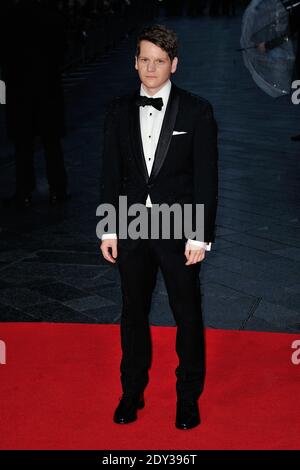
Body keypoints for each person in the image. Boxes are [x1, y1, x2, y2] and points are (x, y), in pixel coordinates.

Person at [100, 24, 218, 430]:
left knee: (187, 313)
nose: (151, 68)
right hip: (130, 223)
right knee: (132, 312)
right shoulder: (117, 110)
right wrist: (108, 229)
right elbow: (109, 174)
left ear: (174, 65)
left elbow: (206, 178)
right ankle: (131, 392)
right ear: (135, 63)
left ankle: (188, 397)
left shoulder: (197, 110)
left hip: (179, 224)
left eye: (159, 61)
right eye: (144, 60)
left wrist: (199, 234)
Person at [1, 0, 69, 208]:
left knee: (23, 144)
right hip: (47, 85)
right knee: (51, 143)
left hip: (19, 86)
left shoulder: (10, 14)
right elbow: (62, 49)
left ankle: (24, 191)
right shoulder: (51, 13)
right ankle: (57, 190)